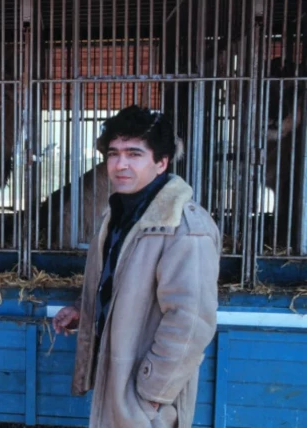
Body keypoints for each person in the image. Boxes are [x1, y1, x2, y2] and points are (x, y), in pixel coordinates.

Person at [52, 105, 221, 428]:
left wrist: (152, 392)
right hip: (119, 383)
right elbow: (120, 282)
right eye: (113, 154)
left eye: (134, 154)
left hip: (147, 398)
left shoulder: (184, 226)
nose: (120, 165)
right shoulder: (120, 213)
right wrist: (83, 309)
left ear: (162, 162)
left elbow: (191, 320)